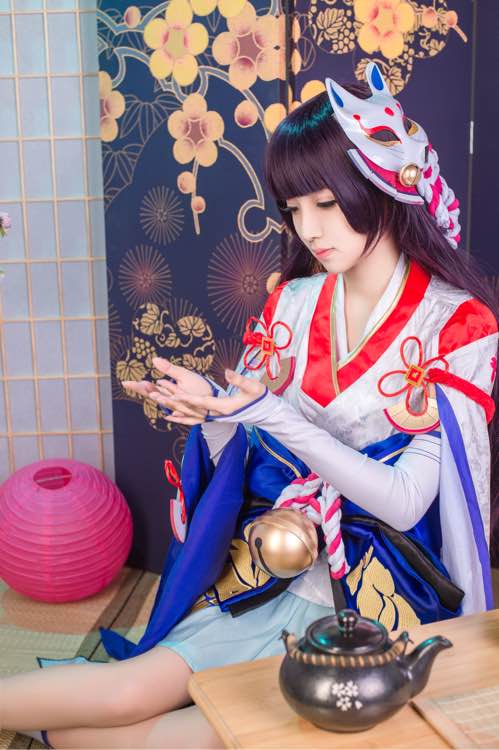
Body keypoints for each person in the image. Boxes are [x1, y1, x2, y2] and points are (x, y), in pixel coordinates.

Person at [1, 62, 497, 749]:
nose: (308, 228)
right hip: (273, 559)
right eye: (293, 209)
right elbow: (247, 448)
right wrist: (214, 414)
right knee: (127, 691)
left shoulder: (458, 326)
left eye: (325, 203)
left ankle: (49, 731)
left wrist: (265, 413)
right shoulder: (291, 302)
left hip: (377, 594)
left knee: (203, 738)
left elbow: (408, 502)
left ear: (382, 185)